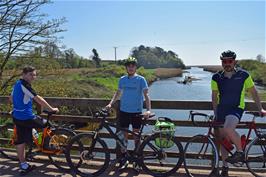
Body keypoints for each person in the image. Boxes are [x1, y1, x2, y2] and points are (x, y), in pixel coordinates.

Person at [211, 50, 266, 176]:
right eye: (224, 61)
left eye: (230, 61)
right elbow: (214, 97)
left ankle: (240, 152)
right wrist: (215, 113)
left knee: (228, 128)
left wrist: (260, 108)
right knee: (223, 140)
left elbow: (254, 92)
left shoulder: (244, 75)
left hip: (236, 108)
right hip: (222, 110)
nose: (227, 64)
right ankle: (225, 167)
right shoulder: (216, 77)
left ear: (234, 62)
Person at [9, 66, 59, 176]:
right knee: (48, 124)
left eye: (35, 75)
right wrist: (51, 109)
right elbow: (38, 98)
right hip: (27, 117)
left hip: (17, 117)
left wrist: (17, 107)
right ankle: (45, 146)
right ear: (24, 74)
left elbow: (11, 98)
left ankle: (23, 165)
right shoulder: (24, 85)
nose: (33, 77)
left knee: (21, 141)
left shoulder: (16, 84)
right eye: (31, 74)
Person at [106, 57, 151, 170]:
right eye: (129, 66)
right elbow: (118, 93)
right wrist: (110, 104)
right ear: (126, 68)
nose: (131, 68)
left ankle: (137, 160)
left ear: (135, 67)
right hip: (124, 111)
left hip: (137, 112)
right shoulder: (122, 79)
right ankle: (124, 158)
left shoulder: (141, 79)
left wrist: (148, 110)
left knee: (136, 137)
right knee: (123, 137)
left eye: (133, 66)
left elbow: (146, 95)